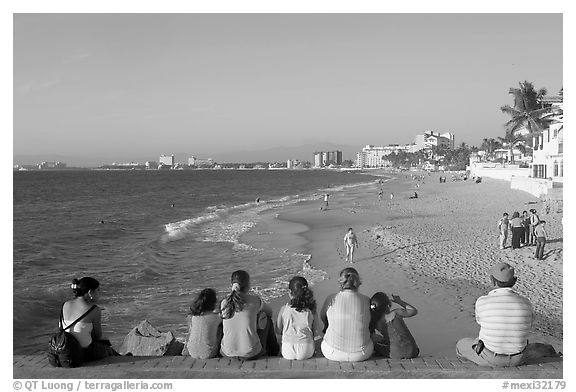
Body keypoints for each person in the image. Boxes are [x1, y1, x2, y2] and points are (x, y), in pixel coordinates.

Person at [456, 263, 533, 367]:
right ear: (514, 281)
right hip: (518, 358)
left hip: (491, 357)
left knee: (461, 344)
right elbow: (529, 325)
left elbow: (480, 321)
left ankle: (470, 367)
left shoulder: (482, 301)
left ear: (492, 280)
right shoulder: (526, 303)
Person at [220, 270, 279, 360]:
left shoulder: (224, 302)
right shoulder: (255, 300)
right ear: (248, 286)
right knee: (266, 319)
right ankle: (273, 352)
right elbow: (269, 313)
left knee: (225, 320)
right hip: (250, 353)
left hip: (227, 353)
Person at [320, 268, 373, 362]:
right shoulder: (366, 300)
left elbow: (322, 316)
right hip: (361, 354)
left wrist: (327, 326)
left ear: (341, 282)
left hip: (332, 353)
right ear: (357, 282)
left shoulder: (331, 298)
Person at [61, 277, 119, 362]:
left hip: (65, 348)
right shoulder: (94, 310)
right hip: (83, 352)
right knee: (107, 349)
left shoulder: (65, 304)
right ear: (90, 292)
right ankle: (123, 358)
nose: (100, 293)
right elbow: (98, 335)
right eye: (98, 290)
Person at [275, 277, 318, 360]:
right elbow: (316, 332)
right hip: (306, 351)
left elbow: (277, 330)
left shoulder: (284, 309)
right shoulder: (310, 310)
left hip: (287, 352)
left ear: (290, 292)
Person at [369, 292, 419, 359]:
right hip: (413, 352)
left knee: (375, 344)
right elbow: (413, 311)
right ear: (388, 305)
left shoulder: (376, 322)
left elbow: (371, 335)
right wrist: (399, 301)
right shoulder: (396, 313)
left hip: (396, 354)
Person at [186, 288, 222, 359]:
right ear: (214, 303)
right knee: (220, 327)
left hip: (191, 351)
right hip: (209, 352)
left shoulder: (193, 316)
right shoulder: (216, 317)